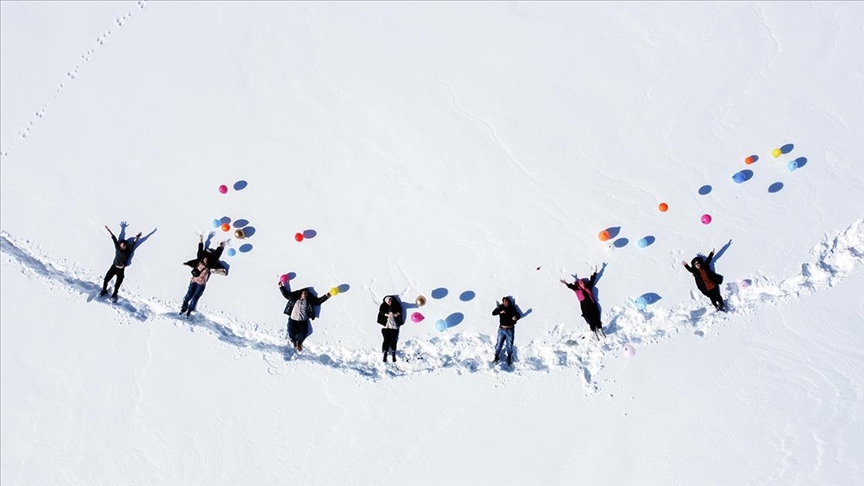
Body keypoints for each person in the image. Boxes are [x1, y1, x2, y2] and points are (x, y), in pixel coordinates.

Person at [179, 234, 228, 317]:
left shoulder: (210, 264)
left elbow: (216, 255)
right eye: (205, 257)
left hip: (201, 284)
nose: (205, 259)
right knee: (189, 294)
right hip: (194, 280)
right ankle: (184, 306)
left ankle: (190, 309)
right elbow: (200, 249)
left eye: (207, 258)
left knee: (195, 297)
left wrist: (220, 246)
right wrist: (201, 240)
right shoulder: (199, 259)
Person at [279, 282, 332, 352]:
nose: (305, 295)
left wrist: (326, 296)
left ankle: (298, 342)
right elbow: (286, 295)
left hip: (303, 320)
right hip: (292, 318)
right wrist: (281, 287)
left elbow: (318, 302)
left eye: (306, 293)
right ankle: (293, 340)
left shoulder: (309, 300)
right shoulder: (294, 298)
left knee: (303, 333)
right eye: (304, 293)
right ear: (301, 293)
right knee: (291, 331)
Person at [560, 266, 605, 339]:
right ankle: (594, 332)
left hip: (593, 305)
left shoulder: (588, 287)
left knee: (597, 317)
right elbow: (571, 287)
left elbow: (592, 280)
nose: (583, 284)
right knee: (590, 320)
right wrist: (566, 283)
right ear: (579, 285)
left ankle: (600, 330)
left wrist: (595, 272)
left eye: (583, 283)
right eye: (581, 283)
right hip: (585, 308)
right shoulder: (577, 290)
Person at [100, 224, 141, 301]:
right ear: (120, 245)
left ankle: (114, 294)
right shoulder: (117, 248)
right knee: (106, 279)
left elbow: (133, 243)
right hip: (114, 267)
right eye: (122, 245)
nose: (123, 246)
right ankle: (104, 290)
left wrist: (137, 237)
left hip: (121, 269)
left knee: (118, 283)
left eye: (125, 245)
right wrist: (110, 231)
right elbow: (114, 239)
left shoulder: (128, 251)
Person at [492, 296, 520, 366]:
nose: (505, 302)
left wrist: (516, 317)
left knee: (509, 345)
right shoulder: (500, 307)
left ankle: (509, 357)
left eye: (506, 301)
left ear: (509, 302)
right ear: (502, 302)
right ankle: (496, 356)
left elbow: (518, 314)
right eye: (504, 301)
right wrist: (500, 311)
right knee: (499, 343)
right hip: (501, 329)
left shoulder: (512, 308)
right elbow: (493, 313)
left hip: (510, 329)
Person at [377, 295, 404, 362]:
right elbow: (381, 312)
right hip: (386, 323)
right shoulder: (383, 305)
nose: (390, 302)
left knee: (393, 339)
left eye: (390, 301)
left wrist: (396, 314)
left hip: (393, 323)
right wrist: (387, 314)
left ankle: (393, 353)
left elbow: (400, 310)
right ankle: (385, 353)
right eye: (388, 301)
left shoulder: (395, 304)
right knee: (386, 339)